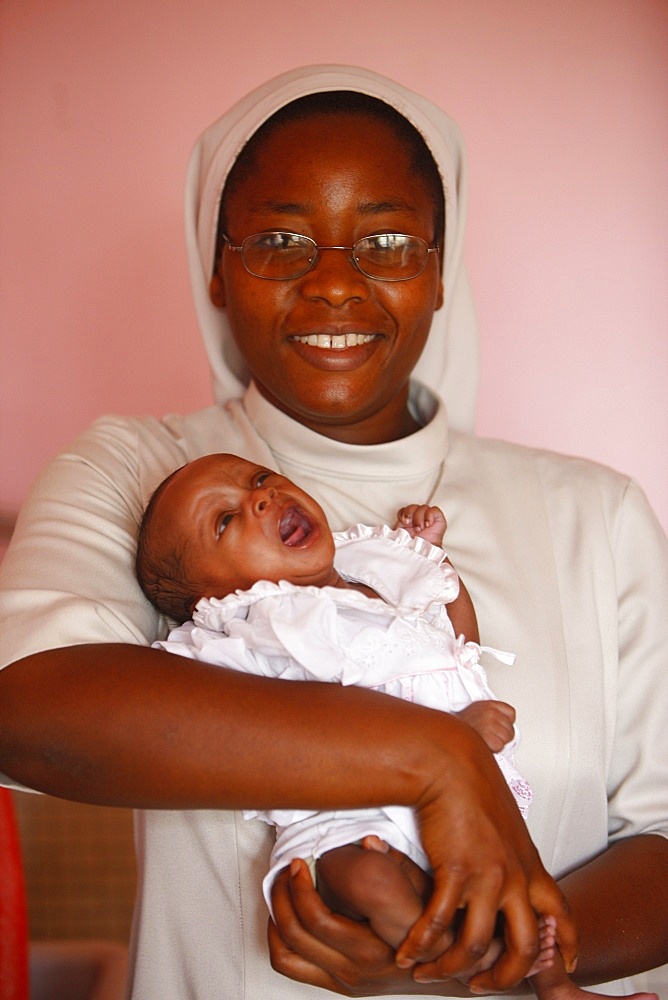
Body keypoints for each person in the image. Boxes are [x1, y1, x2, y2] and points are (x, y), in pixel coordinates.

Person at [0, 64, 666, 1000]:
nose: (335, 284)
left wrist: (470, 951)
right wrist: (434, 756)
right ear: (218, 269)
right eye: (280, 239)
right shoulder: (142, 473)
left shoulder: (595, 515)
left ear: (440, 270)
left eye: (387, 241)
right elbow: (31, 708)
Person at [135, 450, 639, 1000]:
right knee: (368, 882)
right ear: (209, 595)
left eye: (261, 479)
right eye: (226, 520)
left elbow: (452, 641)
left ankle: (554, 984)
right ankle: (477, 961)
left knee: (517, 887)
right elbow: (239, 720)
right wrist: (453, 734)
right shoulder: (245, 628)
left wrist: (429, 559)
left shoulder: (376, 575)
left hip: (468, 797)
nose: (261, 496)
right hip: (347, 810)